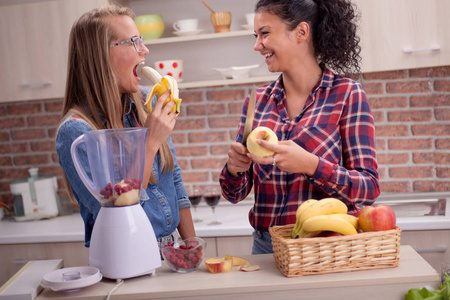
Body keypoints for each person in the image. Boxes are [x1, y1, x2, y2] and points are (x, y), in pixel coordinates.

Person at [219, 0, 380, 254]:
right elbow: (234, 194)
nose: (257, 45)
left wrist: (310, 165)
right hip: (266, 247)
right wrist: (234, 169)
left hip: (325, 248)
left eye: (265, 34)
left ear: (301, 33)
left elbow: (368, 189)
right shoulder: (258, 100)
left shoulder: (347, 95)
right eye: (256, 35)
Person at [56, 5, 195, 248]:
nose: (145, 50)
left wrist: (192, 245)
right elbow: (118, 215)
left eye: (141, 40)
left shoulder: (144, 101)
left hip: (172, 251)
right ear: (99, 55)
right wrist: (149, 143)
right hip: (127, 254)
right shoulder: (77, 132)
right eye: (133, 42)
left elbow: (172, 176)